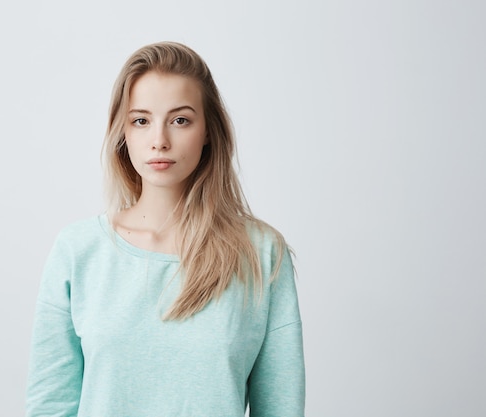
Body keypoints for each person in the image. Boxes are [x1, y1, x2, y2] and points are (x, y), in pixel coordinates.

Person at [26, 41, 305, 417]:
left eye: (180, 120)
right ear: (121, 132)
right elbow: (50, 407)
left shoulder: (259, 253)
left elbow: (281, 409)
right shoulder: (78, 251)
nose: (159, 140)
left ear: (208, 131)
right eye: (141, 120)